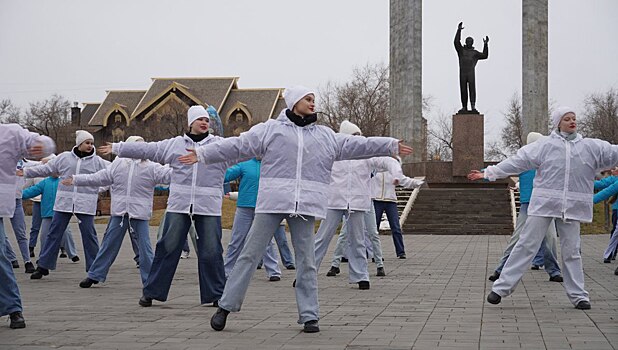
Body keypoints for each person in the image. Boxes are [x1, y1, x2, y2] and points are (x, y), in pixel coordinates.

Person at [177, 86, 413, 333]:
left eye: (314, 100)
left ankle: (310, 315)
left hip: (306, 205)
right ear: (293, 102)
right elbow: (237, 146)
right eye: (307, 99)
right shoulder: (270, 130)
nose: (313, 103)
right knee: (249, 254)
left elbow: (359, 146)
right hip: (272, 203)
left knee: (307, 261)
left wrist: (390, 145)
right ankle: (225, 307)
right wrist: (202, 154)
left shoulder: (325, 136)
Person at [468, 107, 618, 310]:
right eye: (567, 119)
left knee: (572, 251)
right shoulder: (545, 145)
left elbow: (614, 151)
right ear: (558, 123)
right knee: (526, 244)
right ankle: (501, 288)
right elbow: (517, 161)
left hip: (572, 207)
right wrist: (489, 173)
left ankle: (579, 296)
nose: (572, 121)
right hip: (544, 204)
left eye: (574, 118)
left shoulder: (590, 147)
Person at [99, 105, 229, 308]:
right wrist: (118, 148)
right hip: (179, 205)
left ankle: (216, 295)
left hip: (208, 205)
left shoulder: (219, 145)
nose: (204, 123)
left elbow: (243, 147)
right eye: (200, 120)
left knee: (211, 250)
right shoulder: (175, 145)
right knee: (167, 247)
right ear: (190, 123)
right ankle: (152, 292)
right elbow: (148, 148)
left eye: (206, 120)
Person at [313, 120, 420, 289]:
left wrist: (400, 175)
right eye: (354, 136)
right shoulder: (332, 152)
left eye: (358, 136)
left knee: (358, 240)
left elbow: (388, 161)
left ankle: (361, 275)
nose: (357, 139)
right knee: (321, 238)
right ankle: (307, 274)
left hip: (357, 201)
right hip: (335, 200)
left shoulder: (365, 155)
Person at [64, 136, 171, 288]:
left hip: (139, 214)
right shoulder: (119, 164)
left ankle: (150, 281)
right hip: (119, 213)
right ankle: (95, 274)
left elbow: (169, 175)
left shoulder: (151, 166)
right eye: (136, 146)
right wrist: (76, 179)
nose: (140, 150)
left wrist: (185, 166)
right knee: (109, 244)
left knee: (145, 248)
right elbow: (100, 177)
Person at [23, 130, 110, 279]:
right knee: (54, 233)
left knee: (89, 235)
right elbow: (45, 169)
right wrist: (24, 172)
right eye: (87, 143)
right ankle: (43, 265)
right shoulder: (64, 158)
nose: (90, 146)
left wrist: (98, 190)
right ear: (79, 144)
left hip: (85, 204)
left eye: (91, 143)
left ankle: (95, 270)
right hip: (64, 203)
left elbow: (110, 176)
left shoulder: (98, 162)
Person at [487, 132, 563, 283]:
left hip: (544, 204)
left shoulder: (548, 160)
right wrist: (485, 173)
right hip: (528, 205)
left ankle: (554, 271)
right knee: (517, 239)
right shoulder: (525, 161)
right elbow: (505, 168)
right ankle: (500, 269)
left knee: (551, 239)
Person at [0, 123, 55, 329]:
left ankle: (13, 308)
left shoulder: (10, 133)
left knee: (0, 257)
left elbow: (40, 143)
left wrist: (42, 145)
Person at [223, 159, 282, 281]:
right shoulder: (244, 164)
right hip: (244, 207)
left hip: (264, 207)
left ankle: (273, 271)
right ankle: (227, 270)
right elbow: (227, 175)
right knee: (236, 239)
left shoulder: (272, 164)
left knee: (266, 240)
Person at [372, 157, 409, 259]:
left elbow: (399, 166)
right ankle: (374, 253)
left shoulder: (393, 169)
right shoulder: (375, 168)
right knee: (374, 228)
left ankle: (401, 252)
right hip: (377, 199)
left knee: (396, 227)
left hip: (390, 200)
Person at [454, 21, 489, 114]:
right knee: (463, 89)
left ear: (472, 43)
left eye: (470, 41)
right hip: (462, 73)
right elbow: (456, 42)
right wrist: (459, 31)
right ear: (466, 42)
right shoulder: (461, 51)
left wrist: (485, 45)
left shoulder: (475, 53)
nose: (469, 42)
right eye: (468, 41)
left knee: (472, 89)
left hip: (471, 73)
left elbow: (485, 55)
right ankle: (464, 107)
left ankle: (473, 106)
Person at [593, 168, 618, 263]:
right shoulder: (614, 180)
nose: (613, 170)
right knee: (615, 233)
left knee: (615, 233)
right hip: (617, 210)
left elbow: (606, 190)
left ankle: (610, 253)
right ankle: (610, 254)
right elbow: (607, 190)